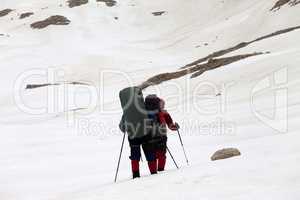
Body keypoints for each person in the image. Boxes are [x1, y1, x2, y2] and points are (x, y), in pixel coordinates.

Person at [119, 87, 157, 179]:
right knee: (150, 153)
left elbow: (122, 127)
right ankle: (153, 172)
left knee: (134, 156)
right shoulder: (143, 107)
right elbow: (153, 119)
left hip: (133, 136)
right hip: (145, 132)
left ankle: (136, 175)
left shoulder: (126, 113)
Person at [145, 95, 179, 172]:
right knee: (161, 154)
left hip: (148, 136)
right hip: (161, 135)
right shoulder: (164, 113)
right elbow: (171, 126)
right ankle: (161, 171)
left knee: (151, 155)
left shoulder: (143, 112)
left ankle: (153, 173)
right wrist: (176, 127)